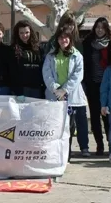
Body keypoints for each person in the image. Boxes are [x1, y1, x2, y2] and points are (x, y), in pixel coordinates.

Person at [43, 29, 90, 159]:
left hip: (73, 96)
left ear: (70, 39)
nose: (63, 40)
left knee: (74, 125)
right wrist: (56, 89)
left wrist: (65, 90)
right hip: (55, 96)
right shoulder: (50, 55)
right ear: (57, 40)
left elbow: (78, 75)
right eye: (60, 38)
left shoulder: (77, 55)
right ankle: (62, 152)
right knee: (59, 125)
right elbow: (47, 74)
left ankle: (83, 148)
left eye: (66, 38)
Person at [82, 17, 111, 155]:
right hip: (93, 85)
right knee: (95, 116)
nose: (99, 30)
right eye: (97, 27)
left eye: (102, 27)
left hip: (108, 86)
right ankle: (99, 145)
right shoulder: (88, 43)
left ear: (106, 29)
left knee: (107, 116)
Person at [12, 20, 47, 99]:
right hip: (22, 90)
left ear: (31, 32)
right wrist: (17, 91)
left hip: (37, 88)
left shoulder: (39, 48)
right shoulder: (13, 49)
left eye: (27, 32)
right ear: (17, 34)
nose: (24, 35)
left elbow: (43, 67)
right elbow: (12, 72)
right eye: (21, 33)